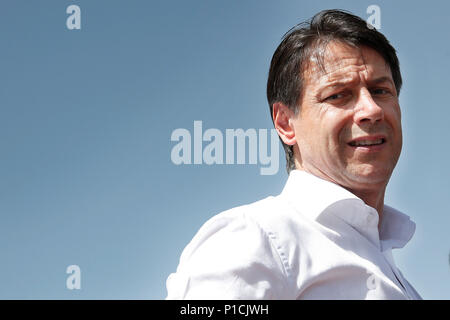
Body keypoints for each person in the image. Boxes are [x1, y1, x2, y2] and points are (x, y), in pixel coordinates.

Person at [166, 9, 421, 299]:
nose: (371, 110)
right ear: (286, 124)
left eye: (380, 91)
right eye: (337, 95)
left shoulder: (388, 264)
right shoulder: (254, 238)